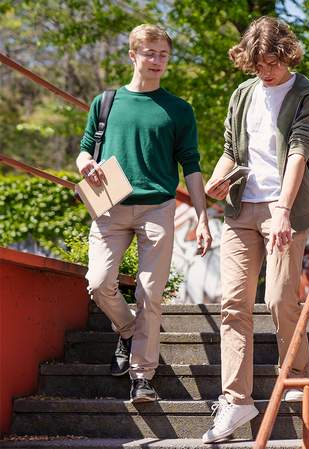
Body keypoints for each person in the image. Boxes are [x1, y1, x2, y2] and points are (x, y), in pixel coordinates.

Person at [201, 16, 309, 444]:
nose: (265, 70)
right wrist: (219, 180)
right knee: (233, 304)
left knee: (278, 298)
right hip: (241, 208)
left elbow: (298, 153)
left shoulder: (307, 94)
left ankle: (295, 374)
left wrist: (283, 211)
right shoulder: (243, 93)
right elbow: (230, 150)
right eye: (257, 64)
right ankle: (236, 401)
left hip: (284, 208)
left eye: (271, 61)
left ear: (286, 54)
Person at [77, 24, 212, 403]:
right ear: (132, 55)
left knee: (150, 293)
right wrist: (85, 164)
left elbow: (192, 166)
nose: (156, 61)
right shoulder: (105, 102)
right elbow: (85, 149)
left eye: (163, 55)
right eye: (149, 53)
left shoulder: (179, 109)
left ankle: (142, 377)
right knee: (99, 282)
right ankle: (128, 330)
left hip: (158, 208)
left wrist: (202, 216)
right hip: (109, 206)